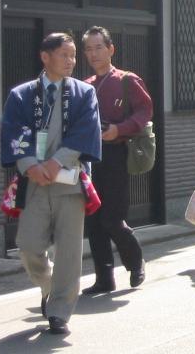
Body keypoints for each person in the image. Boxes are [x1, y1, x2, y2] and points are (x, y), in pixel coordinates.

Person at [0, 33, 102, 335]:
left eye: (73, 55)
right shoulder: (21, 95)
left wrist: (56, 162)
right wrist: (30, 165)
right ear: (45, 57)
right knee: (29, 246)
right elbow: (13, 132)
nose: (71, 61)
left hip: (69, 181)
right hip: (34, 182)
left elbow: (86, 132)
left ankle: (59, 311)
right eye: (64, 55)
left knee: (69, 251)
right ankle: (48, 285)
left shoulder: (84, 93)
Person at [82, 26, 153, 294]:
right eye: (88, 48)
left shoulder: (126, 80)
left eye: (99, 47)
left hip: (116, 153)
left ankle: (135, 262)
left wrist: (119, 129)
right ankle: (104, 278)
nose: (94, 53)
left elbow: (144, 111)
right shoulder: (85, 85)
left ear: (111, 49)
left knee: (112, 217)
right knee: (93, 220)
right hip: (89, 157)